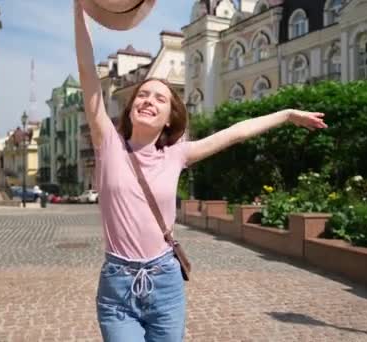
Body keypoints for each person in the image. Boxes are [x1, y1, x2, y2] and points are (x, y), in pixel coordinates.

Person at [73, 1, 327, 341]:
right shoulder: (109, 144)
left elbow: (236, 132)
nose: (149, 100)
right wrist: (80, 10)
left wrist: (285, 114)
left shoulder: (178, 154)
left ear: (169, 118)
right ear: (131, 108)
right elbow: (88, 73)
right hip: (118, 287)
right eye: (142, 95)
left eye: (160, 99)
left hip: (165, 282)